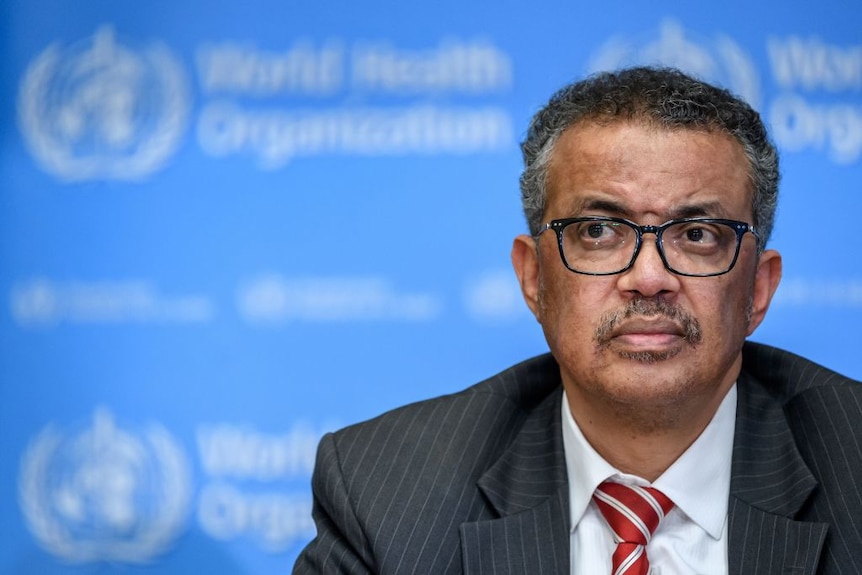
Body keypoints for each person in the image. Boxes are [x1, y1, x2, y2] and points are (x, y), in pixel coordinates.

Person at [293, 67, 862, 574]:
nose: (648, 277)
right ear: (534, 279)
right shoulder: (387, 494)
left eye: (696, 235)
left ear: (757, 290)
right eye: (598, 231)